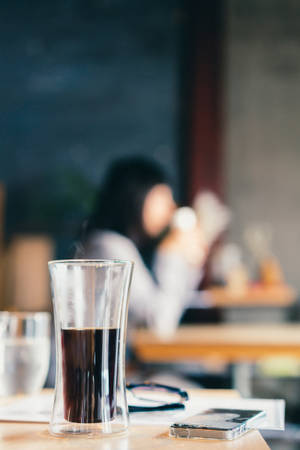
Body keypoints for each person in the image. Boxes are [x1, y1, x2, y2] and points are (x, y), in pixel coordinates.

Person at [76, 157, 207, 337]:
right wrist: (171, 255)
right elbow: (160, 324)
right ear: (135, 198)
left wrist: (189, 262)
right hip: (91, 361)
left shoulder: (117, 245)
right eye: (162, 199)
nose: (171, 208)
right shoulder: (108, 248)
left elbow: (173, 307)